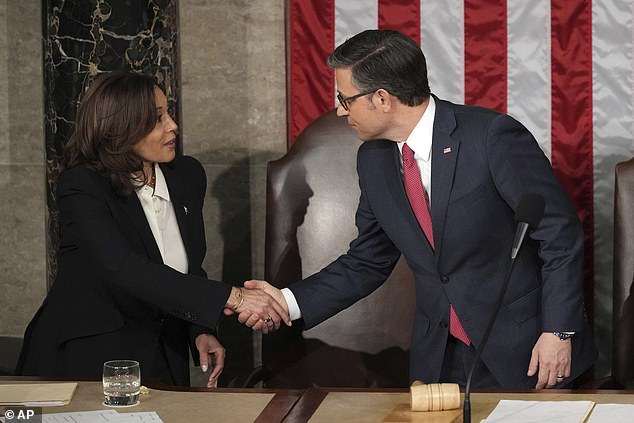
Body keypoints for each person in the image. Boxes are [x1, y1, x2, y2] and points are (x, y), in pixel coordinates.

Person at [235, 30, 597, 389]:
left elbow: (560, 235)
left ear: (382, 98)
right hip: (438, 360)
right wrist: (284, 301)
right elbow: (367, 261)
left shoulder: (491, 138)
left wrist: (558, 331)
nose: (339, 110)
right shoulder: (374, 160)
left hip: (529, 351)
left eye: (345, 99)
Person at [15, 71, 289, 387]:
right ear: (119, 128)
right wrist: (235, 297)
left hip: (162, 361)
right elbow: (125, 269)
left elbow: (186, 269)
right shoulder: (82, 186)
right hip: (87, 361)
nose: (173, 126)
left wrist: (199, 331)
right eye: (158, 119)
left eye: (168, 113)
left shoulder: (187, 175)